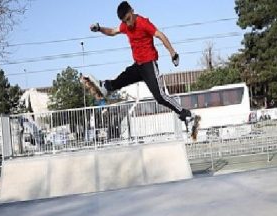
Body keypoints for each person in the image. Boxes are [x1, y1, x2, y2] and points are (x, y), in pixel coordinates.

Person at [84, 1, 200, 132]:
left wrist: (173, 53)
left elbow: (160, 35)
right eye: (124, 21)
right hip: (138, 66)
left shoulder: (143, 22)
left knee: (160, 97)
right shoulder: (125, 25)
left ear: (132, 11)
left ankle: (188, 116)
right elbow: (112, 31)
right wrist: (99, 29)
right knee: (120, 80)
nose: (128, 23)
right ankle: (105, 86)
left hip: (149, 65)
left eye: (128, 19)